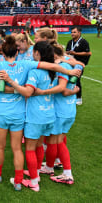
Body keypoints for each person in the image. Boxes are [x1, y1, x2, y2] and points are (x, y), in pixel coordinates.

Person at [0, 36, 81, 191]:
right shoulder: (26, 64)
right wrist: (67, 70)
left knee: (0, 147)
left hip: (0, 113)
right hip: (19, 114)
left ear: (2, 53)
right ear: (17, 52)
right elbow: (51, 66)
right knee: (17, 148)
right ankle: (18, 181)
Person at [0, 41, 57, 192]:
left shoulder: (35, 72)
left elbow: (27, 92)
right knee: (38, 145)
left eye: (33, 52)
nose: (31, 54)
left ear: (38, 53)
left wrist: (11, 81)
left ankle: (33, 181)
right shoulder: (53, 71)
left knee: (30, 148)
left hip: (35, 115)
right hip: (49, 113)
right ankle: (35, 171)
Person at [34, 43, 83, 185]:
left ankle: (67, 173)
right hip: (69, 110)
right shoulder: (71, 65)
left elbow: (64, 90)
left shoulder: (63, 68)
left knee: (56, 142)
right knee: (55, 140)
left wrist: (42, 92)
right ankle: (49, 166)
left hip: (60, 110)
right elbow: (73, 83)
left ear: (54, 55)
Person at [66, 27, 92, 105]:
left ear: (79, 33)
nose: (72, 34)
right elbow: (67, 52)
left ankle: (78, 97)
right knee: (68, 79)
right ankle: (71, 95)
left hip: (79, 64)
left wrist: (75, 53)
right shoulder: (70, 42)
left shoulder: (84, 42)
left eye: (74, 32)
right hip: (70, 64)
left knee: (76, 80)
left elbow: (88, 53)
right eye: (71, 32)